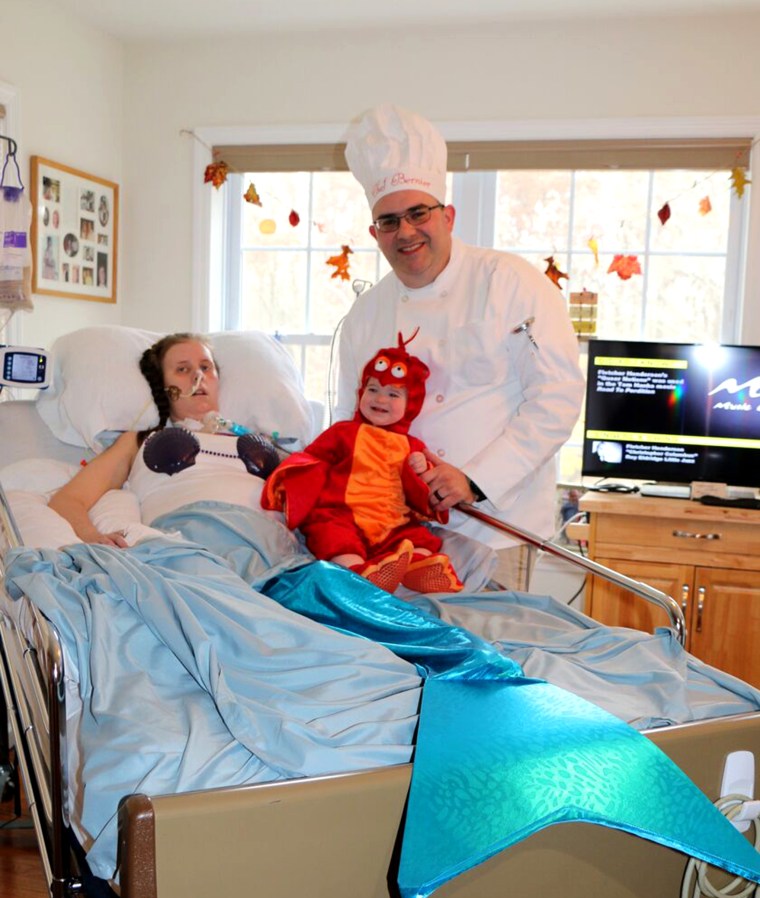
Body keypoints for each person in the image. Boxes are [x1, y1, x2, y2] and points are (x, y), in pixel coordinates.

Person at [335, 104, 585, 592]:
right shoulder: (364, 317)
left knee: (494, 661)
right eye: (389, 221)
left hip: (495, 528)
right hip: (396, 534)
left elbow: (556, 398)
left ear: (447, 215)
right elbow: (352, 421)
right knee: (406, 664)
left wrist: (473, 479)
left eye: (418, 213)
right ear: (374, 233)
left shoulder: (512, 282)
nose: (405, 231)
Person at [262, 332, 463, 594]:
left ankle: (416, 567)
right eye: (373, 390)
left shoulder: (413, 446)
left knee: (417, 538)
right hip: (341, 514)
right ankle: (356, 572)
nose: (380, 399)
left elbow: (420, 497)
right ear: (361, 393)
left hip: (392, 522)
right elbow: (312, 459)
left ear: (410, 404)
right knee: (333, 535)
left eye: (393, 394)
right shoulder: (342, 432)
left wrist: (418, 471)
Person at [48, 333, 280, 545]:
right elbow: (68, 500)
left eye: (206, 367)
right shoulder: (140, 441)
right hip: (189, 550)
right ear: (164, 387)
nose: (198, 376)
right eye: (182, 370)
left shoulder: (262, 441)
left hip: (274, 550)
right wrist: (93, 538)